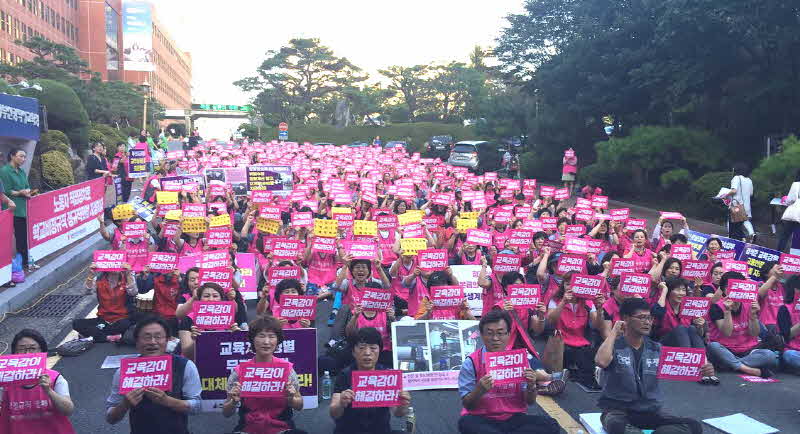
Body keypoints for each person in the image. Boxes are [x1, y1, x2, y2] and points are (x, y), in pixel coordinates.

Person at [595, 298, 710, 434]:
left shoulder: (657, 348)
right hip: (619, 411)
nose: (647, 322)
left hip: (650, 410)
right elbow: (601, 361)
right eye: (642, 318)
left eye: (649, 318)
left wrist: (705, 369)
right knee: (616, 424)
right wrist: (614, 332)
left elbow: (687, 367)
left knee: (693, 425)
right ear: (626, 318)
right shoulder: (614, 345)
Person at [457, 310, 559, 434]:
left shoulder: (519, 360)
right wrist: (479, 390)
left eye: (500, 333)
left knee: (551, 425)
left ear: (509, 334)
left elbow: (530, 402)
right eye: (489, 333)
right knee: (466, 423)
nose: (495, 338)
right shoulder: (471, 362)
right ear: (482, 335)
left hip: (513, 418)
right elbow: (468, 405)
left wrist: (532, 386)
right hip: (481, 418)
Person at [105, 316, 202, 434]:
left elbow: (197, 406)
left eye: (158, 336)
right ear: (136, 342)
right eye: (146, 337)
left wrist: (168, 401)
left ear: (167, 341)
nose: (152, 342)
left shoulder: (185, 366)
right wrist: (125, 404)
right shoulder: (124, 372)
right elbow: (110, 418)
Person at [223, 316, 306, 434]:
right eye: (261, 336)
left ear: (278, 340)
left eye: (272, 336)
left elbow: (299, 406)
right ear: (252, 339)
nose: (266, 342)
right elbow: (226, 413)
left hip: (282, 429)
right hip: (247, 429)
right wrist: (233, 401)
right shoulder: (240, 371)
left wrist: (291, 398)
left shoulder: (287, 369)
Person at [329, 327, 412, 434]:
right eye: (362, 348)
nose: (367, 353)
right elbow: (334, 413)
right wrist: (341, 403)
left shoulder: (387, 375)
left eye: (373, 348)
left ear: (379, 351)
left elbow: (397, 413)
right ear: (353, 352)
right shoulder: (345, 375)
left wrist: (402, 405)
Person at [0, 329, 75, 433]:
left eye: (33, 348)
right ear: (14, 353)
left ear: (42, 352)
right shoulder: (6, 381)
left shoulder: (56, 378)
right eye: (21, 349)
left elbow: (68, 410)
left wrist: (49, 391)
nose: (27, 353)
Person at [706, 271, 779, 377]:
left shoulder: (750, 304)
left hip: (747, 350)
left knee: (770, 355)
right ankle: (748, 369)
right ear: (723, 290)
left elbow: (754, 334)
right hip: (725, 348)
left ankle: (730, 364)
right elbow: (727, 332)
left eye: (736, 286)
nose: (732, 290)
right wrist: (727, 311)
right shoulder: (717, 307)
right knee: (713, 347)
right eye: (728, 287)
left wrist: (753, 316)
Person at [72, 262, 138, 342]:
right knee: (76, 323)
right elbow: (86, 291)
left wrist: (128, 274)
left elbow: (133, 292)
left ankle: (96, 335)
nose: (116, 266)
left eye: (118, 263)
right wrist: (91, 274)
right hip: (103, 319)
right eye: (113, 263)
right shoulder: (99, 279)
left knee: (125, 324)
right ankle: (108, 337)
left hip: (121, 319)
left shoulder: (127, 277)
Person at [0, 149, 36, 271]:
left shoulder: (21, 171)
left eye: (25, 157)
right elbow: (6, 191)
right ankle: (9, 265)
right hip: (11, 210)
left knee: (22, 237)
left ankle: (24, 262)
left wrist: (28, 192)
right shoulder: (5, 171)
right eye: (21, 156)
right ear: (12, 156)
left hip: (23, 208)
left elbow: (26, 187)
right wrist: (20, 193)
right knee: (10, 239)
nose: (23, 159)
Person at [726, 163, 755, 242]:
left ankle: (734, 244)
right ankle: (744, 239)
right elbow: (751, 193)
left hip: (736, 207)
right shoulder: (749, 180)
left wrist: (724, 194)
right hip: (746, 207)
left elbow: (734, 190)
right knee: (739, 227)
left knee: (733, 229)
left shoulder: (736, 178)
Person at [777, 170, 800, 252]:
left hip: (795, 214)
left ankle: (779, 255)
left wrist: (785, 200)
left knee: (785, 235)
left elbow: (790, 200)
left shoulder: (796, 184)